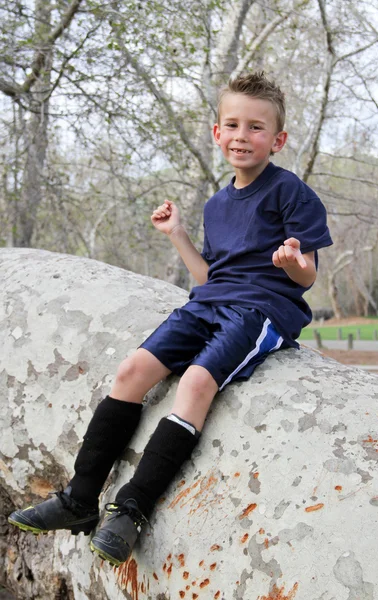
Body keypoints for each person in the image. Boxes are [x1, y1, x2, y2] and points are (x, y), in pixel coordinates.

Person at [8, 71, 332, 566]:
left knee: (197, 382)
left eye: (256, 128)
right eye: (233, 125)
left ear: (278, 139)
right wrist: (178, 233)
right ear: (216, 133)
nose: (242, 136)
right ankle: (79, 498)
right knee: (131, 372)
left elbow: (307, 277)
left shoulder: (291, 193)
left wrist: (295, 263)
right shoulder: (218, 204)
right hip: (208, 303)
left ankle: (131, 509)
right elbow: (208, 277)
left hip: (260, 311)